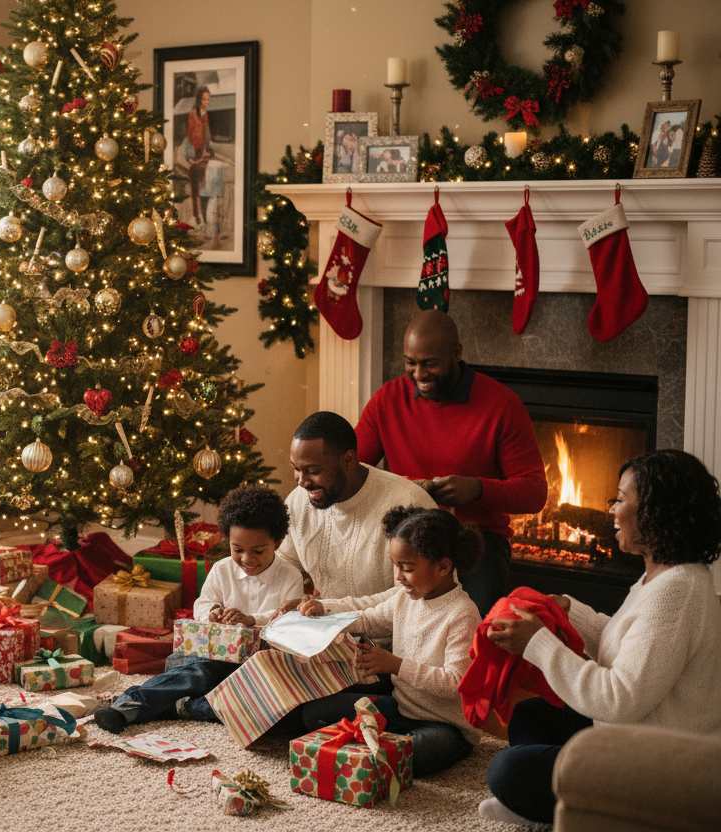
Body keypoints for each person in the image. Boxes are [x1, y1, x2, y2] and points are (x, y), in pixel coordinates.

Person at [480, 450, 721, 826]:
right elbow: (628, 642)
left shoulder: (676, 592)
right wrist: (567, 609)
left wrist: (539, 644)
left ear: (656, 512)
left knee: (506, 769)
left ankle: (547, 797)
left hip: (661, 762)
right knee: (528, 714)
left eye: (621, 499)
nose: (610, 509)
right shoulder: (664, 576)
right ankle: (547, 797)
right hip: (633, 734)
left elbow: (618, 698)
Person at [355, 309, 547, 616]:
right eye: (410, 363)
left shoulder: (502, 405)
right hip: (406, 537)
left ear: (456, 353)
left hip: (476, 541)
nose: (419, 374)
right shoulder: (387, 400)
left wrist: (477, 488)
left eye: (430, 363)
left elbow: (535, 492)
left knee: (476, 626)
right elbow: (354, 469)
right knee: (381, 615)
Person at [93, 485, 302, 731]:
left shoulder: (290, 576)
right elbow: (202, 604)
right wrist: (212, 611)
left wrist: (251, 619)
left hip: (260, 669)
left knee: (266, 707)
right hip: (213, 659)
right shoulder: (222, 569)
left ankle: (183, 707)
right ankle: (128, 705)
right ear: (229, 541)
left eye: (258, 551)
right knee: (197, 673)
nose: (247, 559)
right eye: (238, 550)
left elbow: (288, 619)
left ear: (277, 543)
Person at [296, 506, 484, 776]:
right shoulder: (404, 598)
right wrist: (325, 611)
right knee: (313, 715)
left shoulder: (462, 614)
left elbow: (456, 683)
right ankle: (380, 746)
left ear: (443, 566)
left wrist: (396, 665)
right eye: (395, 565)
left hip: (444, 725)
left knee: (416, 753)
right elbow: (368, 620)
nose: (398, 576)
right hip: (400, 708)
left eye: (406, 568)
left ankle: (383, 747)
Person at [274, 411, 436, 621]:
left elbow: (416, 594)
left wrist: (330, 608)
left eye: (312, 470)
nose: (301, 482)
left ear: (348, 459)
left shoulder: (408, 503)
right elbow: (281, 566)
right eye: (296, 469)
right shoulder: (298, 501)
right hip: (324, 635)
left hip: (393, 643)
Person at [185, 86, 214, 225]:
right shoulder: (193, 114)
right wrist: (197, 151)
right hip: (194, 151)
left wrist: (208, 148)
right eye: (204, 98)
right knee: (194, 188)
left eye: (208, 99)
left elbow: (207, 133)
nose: (206, 101)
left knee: (204, 187)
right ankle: (196, 217)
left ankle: (204, 217)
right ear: (199, 99)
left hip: (203, 152)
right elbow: (193, 134)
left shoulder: (205, 115)